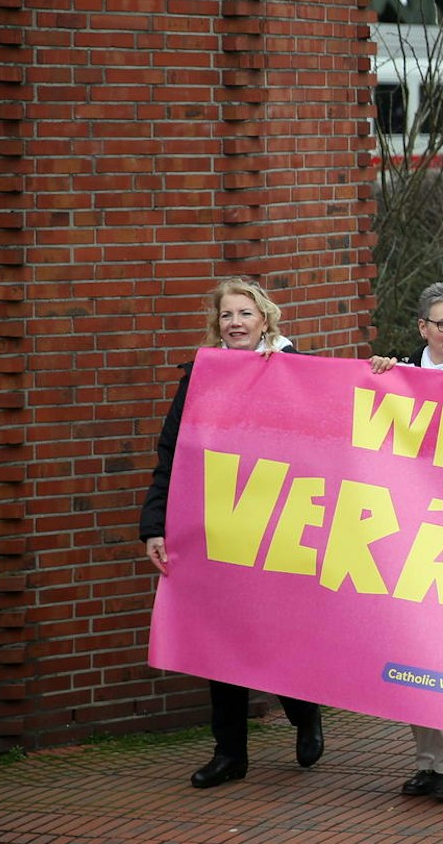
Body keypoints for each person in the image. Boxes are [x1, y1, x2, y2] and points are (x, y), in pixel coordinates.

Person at [140, 278, 325, 789]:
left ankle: (303, 710)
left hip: (280, 524)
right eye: (227, 316)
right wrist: (154, 525)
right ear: (216, 324)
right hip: (216, 526)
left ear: (266, 319)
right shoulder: (200, 375)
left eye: (246, 313)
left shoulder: (297, 370)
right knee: (219, 639)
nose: (236, 323)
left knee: (276, 633)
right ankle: (229, 753)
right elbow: (171, 454)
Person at [366, 282, 443, 803]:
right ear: (423, 328)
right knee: (412, 649)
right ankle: (427, 762)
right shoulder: (398, 377)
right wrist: (374, 382)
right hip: (406, 530)